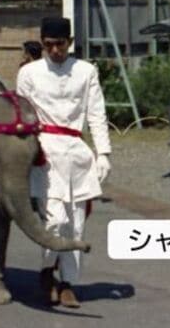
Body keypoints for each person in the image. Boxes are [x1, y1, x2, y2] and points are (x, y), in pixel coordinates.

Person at [16, 16, 112, 309]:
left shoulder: (85, 71)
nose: (54, 50)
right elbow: (23, 115)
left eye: (60, 44)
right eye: (48, 45)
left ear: (70, 42)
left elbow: (96, 113)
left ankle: (69, 282)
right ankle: (47, 272)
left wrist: (104, 152)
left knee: (76, 224)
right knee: (55, 221)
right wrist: (24, 155)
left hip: (78, 153)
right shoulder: (29, 73)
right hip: (45, 152)